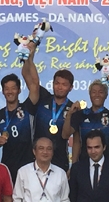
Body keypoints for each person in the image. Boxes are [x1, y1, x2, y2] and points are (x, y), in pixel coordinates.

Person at [22, 41, 73, 171]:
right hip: (35, 158)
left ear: (71, 88)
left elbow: (71, 137)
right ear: (53, 84)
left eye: (64, 84)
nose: (60, 87)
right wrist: (29, 55)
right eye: (57, 83)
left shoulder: (73, 108)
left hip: (60, 161)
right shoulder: (43, 97)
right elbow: (28, 76)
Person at [62, 75, 109, 162]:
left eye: (101, 92)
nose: (97, 95)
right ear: (89, 95)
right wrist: (70, 114)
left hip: (106, 164)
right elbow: (65, 135)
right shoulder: (81, 114)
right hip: (84, 165)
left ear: (106, 95)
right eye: (93, 92)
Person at [0, 73, 36, 182]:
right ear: (2, 91)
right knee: (8, 198)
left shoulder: (27, 108)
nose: (10, 91)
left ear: (19, 90)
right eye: (6, 89)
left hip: (28, 163)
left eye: (13, 88)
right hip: (8, 165)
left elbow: (35, 87)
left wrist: (28, 60)